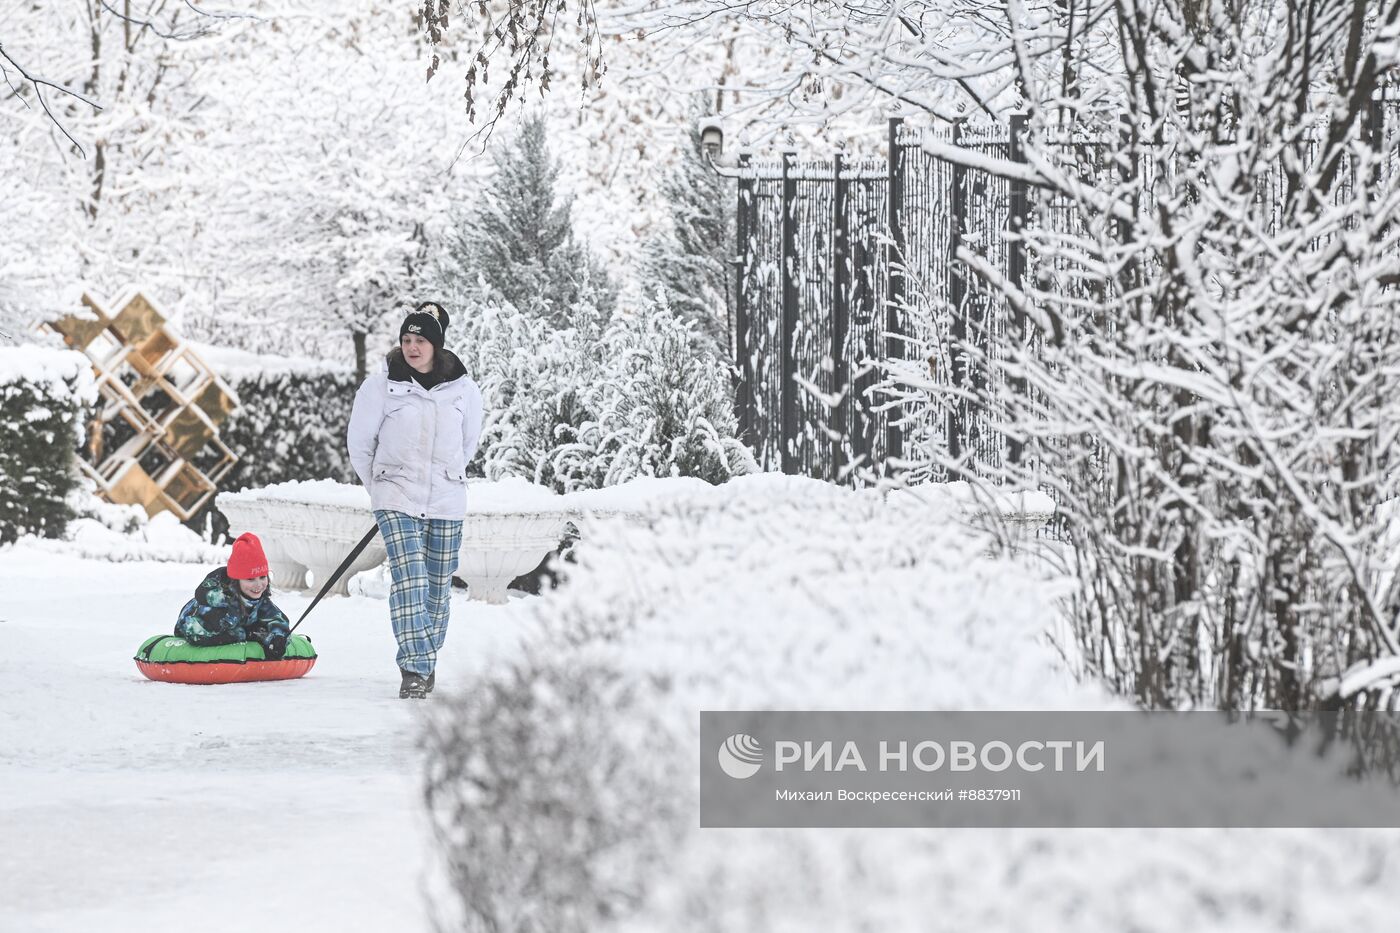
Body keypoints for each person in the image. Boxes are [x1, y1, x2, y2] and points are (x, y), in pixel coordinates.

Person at [346, 301, 484, 699]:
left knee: (438, 587)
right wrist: (381, 490)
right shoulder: (380, 387)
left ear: (436, 345)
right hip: (395, 494)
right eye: (406, 339)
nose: (411, 346)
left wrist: (444, 475)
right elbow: (360, 444)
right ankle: (415, 670)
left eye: (420, 340)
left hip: (446, 497)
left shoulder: (464, 390)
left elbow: (468, 443)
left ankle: (424, 660)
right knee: (411, 579)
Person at [175, 532, 291, 659]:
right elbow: (195, 630)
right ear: (236, 580)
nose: (258, 585)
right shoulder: (216, 602)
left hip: (240, 625)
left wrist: (277, 637)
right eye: (250, 579)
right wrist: (248, 634)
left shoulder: (258, 600)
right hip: (198, 624)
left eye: (262, 577)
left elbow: (276, 619)